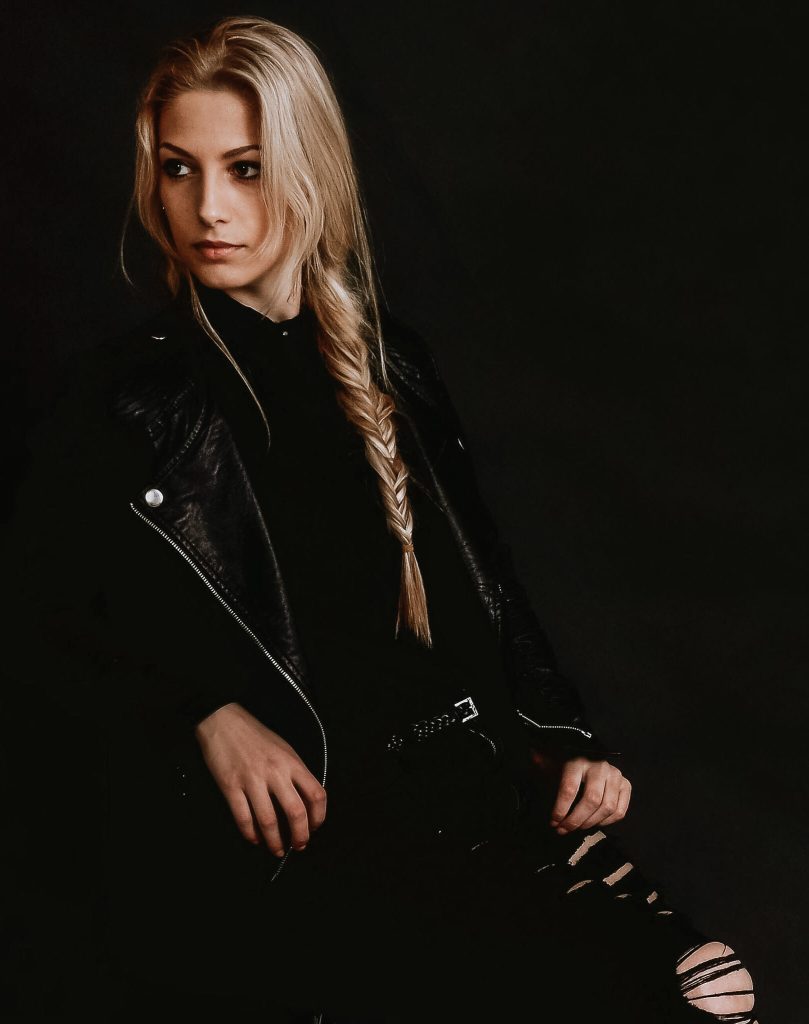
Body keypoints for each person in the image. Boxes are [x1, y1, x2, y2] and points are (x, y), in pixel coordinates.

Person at [6, 14, 758, 1023]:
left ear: (308, 166)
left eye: (245, 167)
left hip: (471, 795)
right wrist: (201, 712)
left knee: (711, 988)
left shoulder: (387, 363)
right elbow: (41, 633)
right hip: (319, 846)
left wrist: (561, 739)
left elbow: (480, 591)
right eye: (179, 170)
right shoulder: (130, 401)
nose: (207, 208)